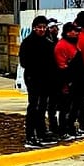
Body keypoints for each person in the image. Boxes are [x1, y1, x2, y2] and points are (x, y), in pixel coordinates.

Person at [18, 15, 54, 148]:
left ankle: (41, 133)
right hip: (33, 79)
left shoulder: (47, 42)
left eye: (44, 27)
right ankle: (30, 136)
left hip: (46, 80)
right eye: (39, 27)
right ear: (34, 28)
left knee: (42, 107)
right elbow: (24, 62)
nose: (42, 29)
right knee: (34, 107)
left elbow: (51, 62)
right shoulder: (28, 43)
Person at [53, 23, 81, 138]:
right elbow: (62, 66)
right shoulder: (62, 46)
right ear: (68, 32)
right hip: (66, 82)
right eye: (74, 31)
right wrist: (66, 83)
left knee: (74, 107)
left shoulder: (73, 44)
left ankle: (71, 128)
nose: (76, 33)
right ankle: (63, 131)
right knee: (65, 108)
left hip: (76, 81)